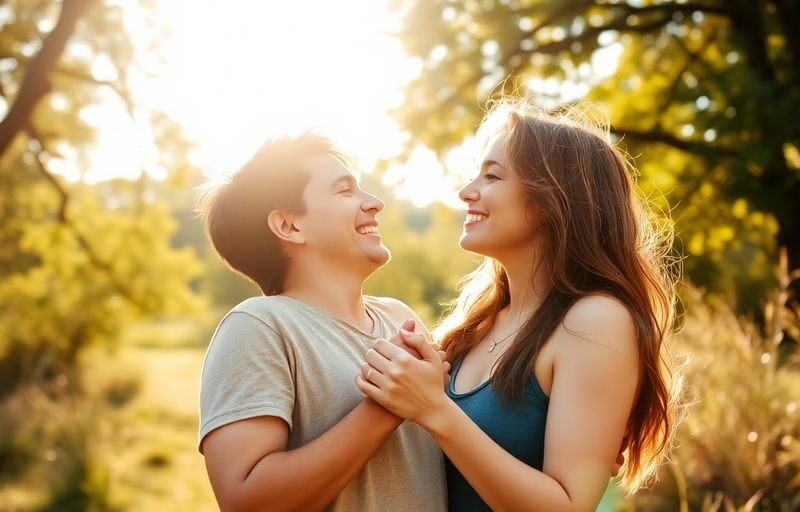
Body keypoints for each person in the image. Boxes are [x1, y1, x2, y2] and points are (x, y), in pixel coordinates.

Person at [357, 100, 681, 511]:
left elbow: (568, 505)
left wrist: (435, 411)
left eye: (492, 176)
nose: (466, 192)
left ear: (554, 198)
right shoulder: (472, 326)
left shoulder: (596, 320)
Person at [194, 134, 449, 511]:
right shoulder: (258, 326)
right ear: (289, 225)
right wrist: (390, 404)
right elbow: (245, 501)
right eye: (345, 191)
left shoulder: (401, 317)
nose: (374, 203)